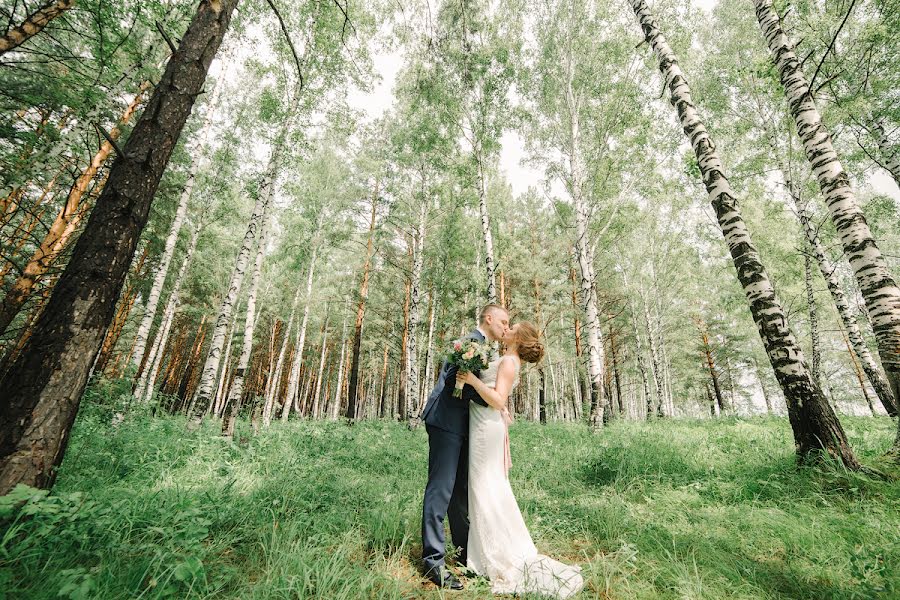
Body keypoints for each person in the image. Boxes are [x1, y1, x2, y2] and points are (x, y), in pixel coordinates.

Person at [456, 322, 584, 598]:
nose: (507, 329)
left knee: (485, 486)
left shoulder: (509, 362)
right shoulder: (506, 359)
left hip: (486, 428)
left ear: (518, 337)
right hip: (483, 423)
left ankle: (497, 554)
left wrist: (472, 380)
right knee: (487, 487)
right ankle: (482, 552)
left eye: (511, 327)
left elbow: (499, 400)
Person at [419, 304, 509, 589]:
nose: (506, 328)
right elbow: (453, 384)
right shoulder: (470, 344)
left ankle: (463, 553)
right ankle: (433, 561)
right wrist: (493, 402)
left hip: (463, 427)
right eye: (504, 322)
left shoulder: (481, 347)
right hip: (445, 422)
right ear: (489, 318)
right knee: (441, 489)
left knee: (460, 492)